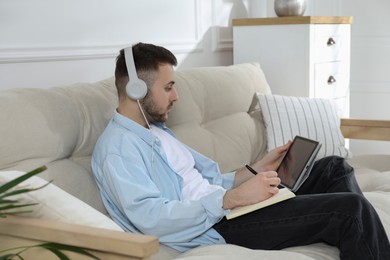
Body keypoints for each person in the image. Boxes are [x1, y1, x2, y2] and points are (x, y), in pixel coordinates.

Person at [91, 42, 390, 259]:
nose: (177, 96)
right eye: (168, 87)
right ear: (136, 90)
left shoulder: (154, 131)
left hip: (228, 208)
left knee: (334, 166)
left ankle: (367, 242)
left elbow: (204, 182)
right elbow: (152, 217)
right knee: (351, 210)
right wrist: (231, 200)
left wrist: (255, 170)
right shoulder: (118, 150)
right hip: (219, 226)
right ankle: (364, 235)